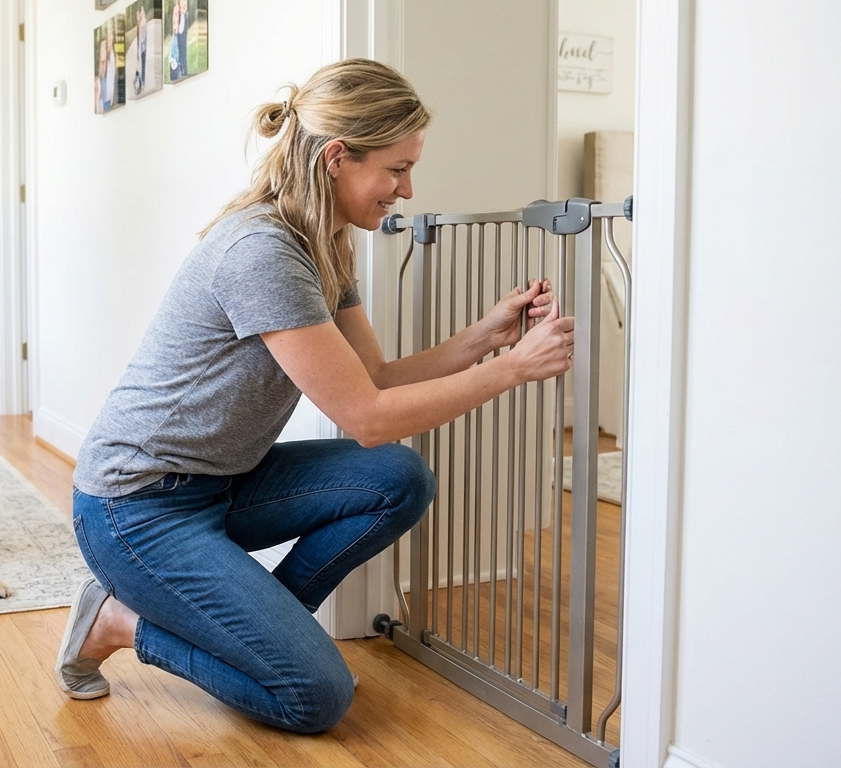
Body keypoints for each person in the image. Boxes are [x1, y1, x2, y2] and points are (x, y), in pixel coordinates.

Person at [55, 58, 576, 734]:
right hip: (136, 508)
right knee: (315, 699)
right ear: (336, 158)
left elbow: (376, 379)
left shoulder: (324, 242)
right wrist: (513, 371)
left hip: (222, 483)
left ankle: (254, 641)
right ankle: (118, 621)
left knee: (399, 479)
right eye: (395, 168)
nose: (406, 188)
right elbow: (365, 418)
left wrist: (487, 338)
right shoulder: (263, 251)